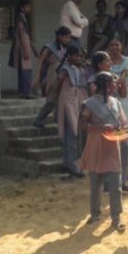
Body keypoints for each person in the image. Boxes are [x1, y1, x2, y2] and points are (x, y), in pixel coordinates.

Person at [79, 72, 128, 232]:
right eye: (114, 82)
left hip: (113, 146)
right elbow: (82, 125)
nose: (116, 85)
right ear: (107, 85)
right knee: (95, 183)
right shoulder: (90, 104)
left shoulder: (115, 102)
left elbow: (123, 121)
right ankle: (95, 214)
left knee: (116, 183)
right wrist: (100, 127)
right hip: (96, 145)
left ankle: (116, 218)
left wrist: (122, 128)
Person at [107, 36, 128, 191]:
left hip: (126, 103)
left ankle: (123, 172)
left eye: (117, 44)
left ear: (121, 46)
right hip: (109, 105)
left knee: (125, 140)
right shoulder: (105, 64)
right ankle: (112, 174)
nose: (115, 48)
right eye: (112, 45)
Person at [56, 43, 89, 178]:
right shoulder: (65, 69)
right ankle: (72, 165)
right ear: (69, 56)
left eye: (79, 56)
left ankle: (67, 162)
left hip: (75, 102)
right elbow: (58, 81)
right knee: (71, 133)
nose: (77, 58)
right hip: (67, 102)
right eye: (75, 56)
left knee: (73, 133)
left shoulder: (78, 69)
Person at [32, 26, 73, 128]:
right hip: (52, 77)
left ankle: (58, 121)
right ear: (60, 36)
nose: (69, 40)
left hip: (63, 77)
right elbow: (41, 61)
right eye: (66, 37)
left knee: (60, 100)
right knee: (51, 100)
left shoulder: (66, 48)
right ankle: (39, 120)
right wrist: (37, 77)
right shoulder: (50, 47)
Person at [8, 0, 34, 97]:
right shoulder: (20, 18)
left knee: (23, 70)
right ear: (22, 8)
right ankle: (26, 92)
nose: (29, 9)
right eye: (28, 7)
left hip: (24, 46)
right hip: (22, 48)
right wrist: (26, 49)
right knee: (26, 70)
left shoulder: (23, 18)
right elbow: (22, 34)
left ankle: (23, 92)